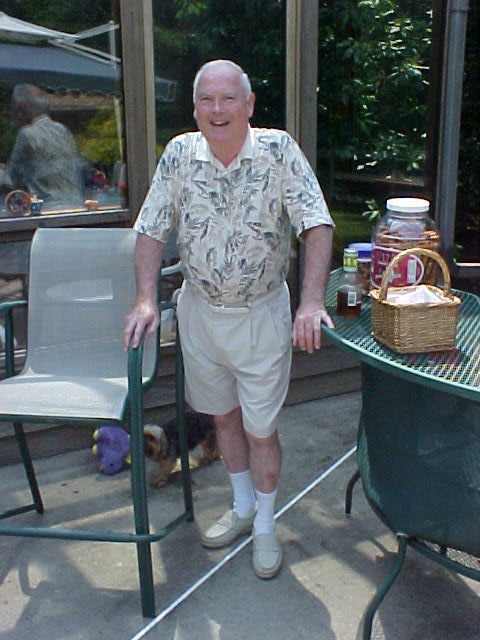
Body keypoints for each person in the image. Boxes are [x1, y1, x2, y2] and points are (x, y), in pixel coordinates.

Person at [123, 59, 335, 579]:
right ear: (195, 108)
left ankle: (264, 524)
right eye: (207, 99)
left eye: (228, 98)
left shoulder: (278, 151)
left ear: (249, 104)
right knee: (222, 419)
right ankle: (241, 507)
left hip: (261, 315)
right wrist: (146, 298)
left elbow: (316, 223)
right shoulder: (179, 154)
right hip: (200, 315)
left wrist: (311, 301)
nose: (217, 109)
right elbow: (150, 229)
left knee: (261, 431)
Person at [0, 84, 84, 204]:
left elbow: (10, 182)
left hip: (48, 209)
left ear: (20, 108)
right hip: (76, 206)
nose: (11, 114)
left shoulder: (27, 134)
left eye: (12, 108)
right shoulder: (62, 130)